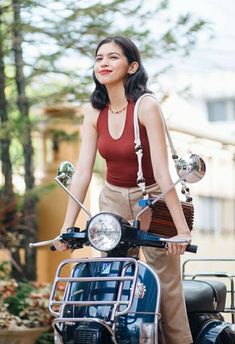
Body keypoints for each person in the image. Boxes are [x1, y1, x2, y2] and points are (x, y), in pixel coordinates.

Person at [54, 35, 193, 344]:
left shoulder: (146, 106)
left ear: (132, 66)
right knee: (108, 280)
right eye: (99, 57)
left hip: (153, 198)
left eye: (113, 57)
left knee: (164, 285)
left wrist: (181, 231)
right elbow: (83, 173)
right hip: (112, 199)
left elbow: (162, 171)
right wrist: (67, 227)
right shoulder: (94, 112)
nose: (104, 62)